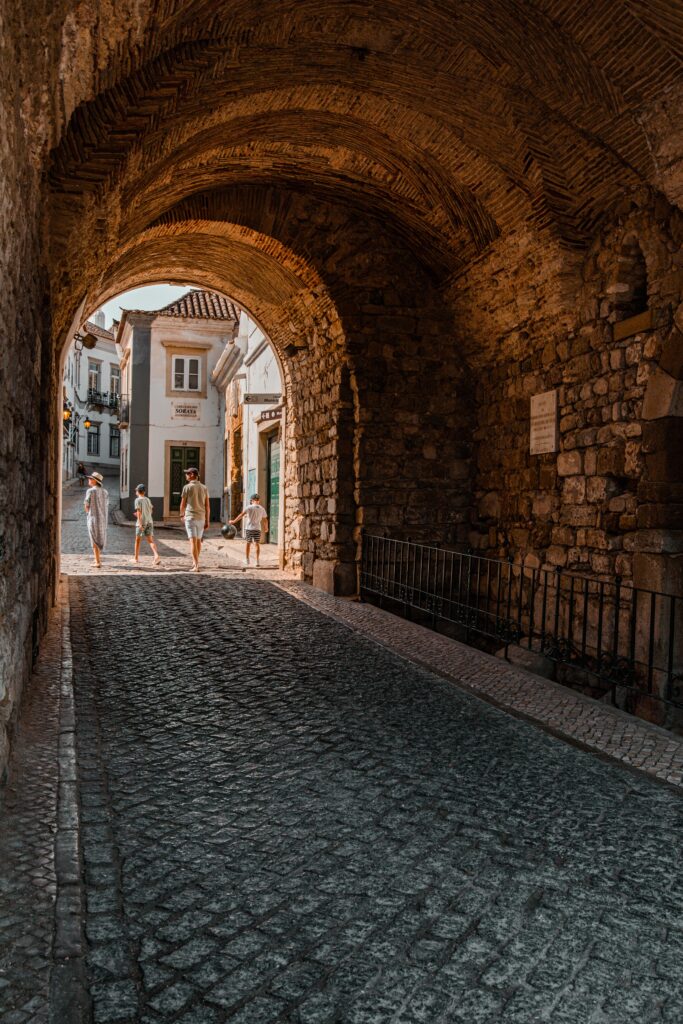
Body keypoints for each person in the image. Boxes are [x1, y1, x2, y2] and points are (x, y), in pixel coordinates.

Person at [179, 467, 209, 572]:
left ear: (192, 474)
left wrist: (181, 515)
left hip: (190, 517)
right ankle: (195, 561)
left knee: (192, 541)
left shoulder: (187, 487)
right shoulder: (204, 487)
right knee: (198, 541)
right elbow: (207, 506)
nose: (186, 475)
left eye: (187, 473)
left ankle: (196, 565)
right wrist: (207, 520)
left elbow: (182, 504)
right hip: (201, 518)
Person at [230, 494, 268, 567]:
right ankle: (257, 561)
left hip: (249, 528)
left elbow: (241, 515)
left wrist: (233, 521)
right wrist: (266, 528)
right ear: (258, 500)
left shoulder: (249, 507)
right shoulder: (262, 508)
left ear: (252, 500)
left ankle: (247, 560)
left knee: (248, 543)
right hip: (257, 528)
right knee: (257, 544)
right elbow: (265, 520)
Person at [84, 471, 108, 568]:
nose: (88, 480)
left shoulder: (90, 491)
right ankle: (97, 558)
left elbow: (86, 505)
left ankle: (97, 562)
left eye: (90, 478)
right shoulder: (105, 492)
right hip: (102, 518)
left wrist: (87, 512)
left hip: (93, 518)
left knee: (93, 539)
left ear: (94, 481)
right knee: (99, 537)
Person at [133, 484, 161, 566]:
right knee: (150, 540)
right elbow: (151, 510)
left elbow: (139, 512)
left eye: (136, 491)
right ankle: (156, 556)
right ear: (144, 492)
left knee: (137, 541)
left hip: (141, 523)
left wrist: (140, 523)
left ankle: (136, 558)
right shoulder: (148, 499)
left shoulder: (137, 500)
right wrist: (147, 515)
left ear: (138, 491)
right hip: (149, 521)